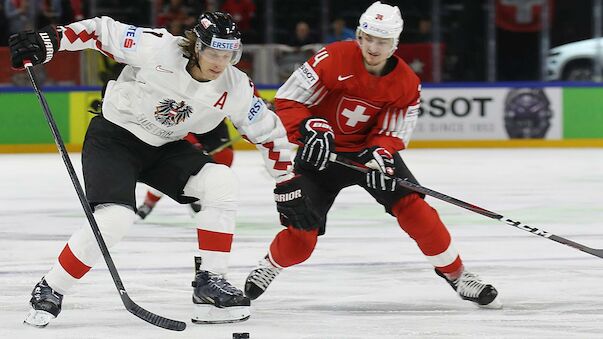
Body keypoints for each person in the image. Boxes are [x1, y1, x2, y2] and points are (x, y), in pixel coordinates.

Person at [10, 11, 296, 327]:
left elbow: (266, 131)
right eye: (213, 52)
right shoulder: (158, 47)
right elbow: (101, 32)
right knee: (115, 219)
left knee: (220, 181)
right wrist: (51, 40)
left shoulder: (235, 85)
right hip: (115, 138)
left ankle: (209, 284)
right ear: (197, 47)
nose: (219, 61)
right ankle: (52, 286)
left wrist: (286, 181)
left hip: (165, 147)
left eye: (227, 54)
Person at [244, 1, 502, 309]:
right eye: (368, 38)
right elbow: (287, 101)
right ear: (358, 35)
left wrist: (381, 152)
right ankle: (271, 264)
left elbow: (393, 133)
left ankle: (458, 276)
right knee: (302, 236)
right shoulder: (332, 57)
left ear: (395, 43)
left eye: (383, 41)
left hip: (368, 159)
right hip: (320, 157)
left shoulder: (406, 82)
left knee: (417, 212)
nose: (374, 47)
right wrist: (309, 126)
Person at [137, 122, 235, 219]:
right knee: (170, 167)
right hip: (185, 121)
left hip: (212, 123)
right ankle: (149, 202)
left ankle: (197, 196)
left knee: (224, 157)